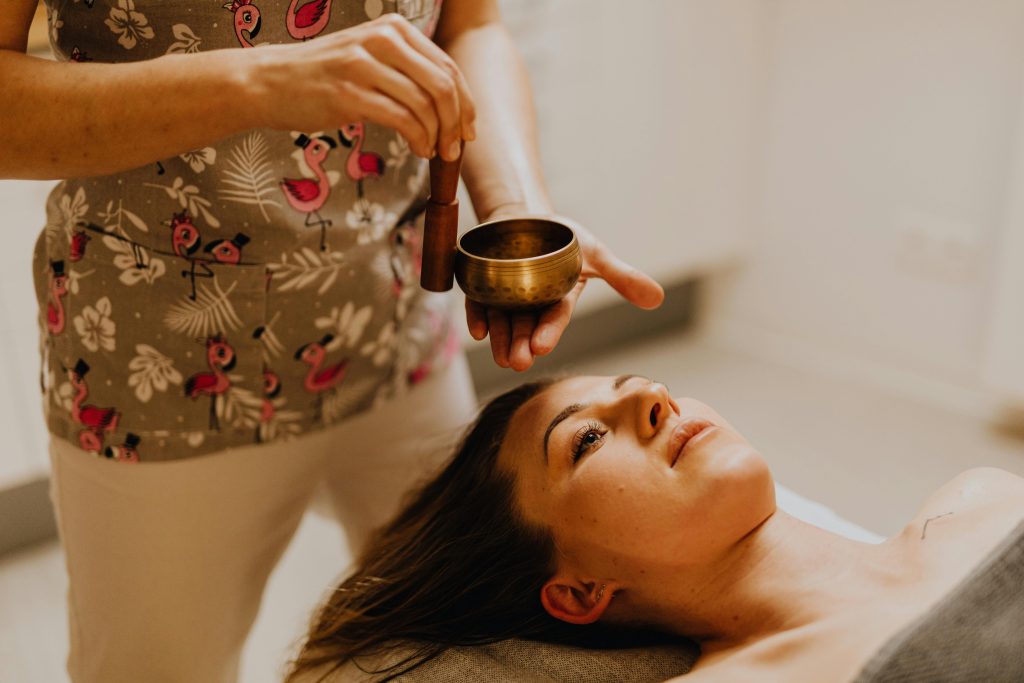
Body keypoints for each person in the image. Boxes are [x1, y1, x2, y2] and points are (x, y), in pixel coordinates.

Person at [1, 1, 665, 681]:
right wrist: (257, 81)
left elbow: (471, 27)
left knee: (470, 647)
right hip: (160, 379)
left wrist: (514, 205)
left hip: (397, 332)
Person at [289, 374, 1024, 682]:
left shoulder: (978, 496)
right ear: (578, 591)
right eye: (584, 441)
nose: (650, 393)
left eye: (629, 383)